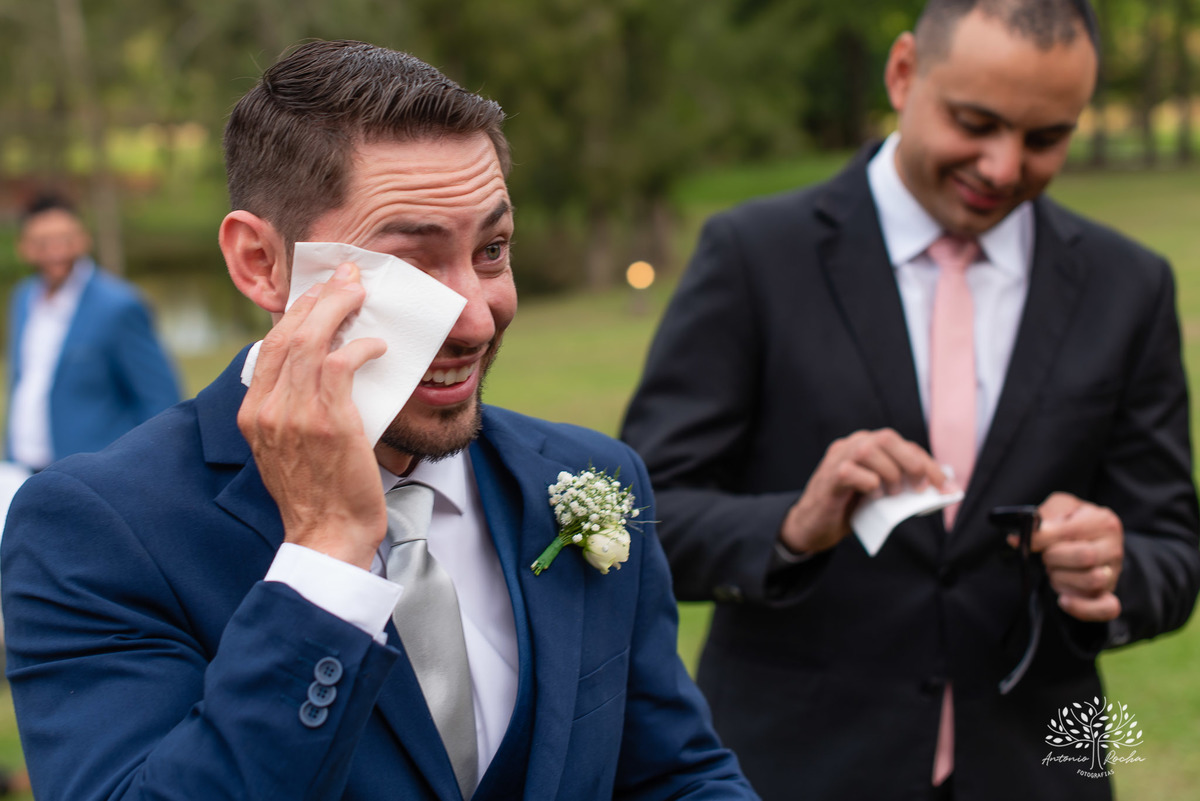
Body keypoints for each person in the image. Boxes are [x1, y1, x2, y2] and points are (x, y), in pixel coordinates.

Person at [1, 41, 756, 801]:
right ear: (262, 262)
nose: (475, 320)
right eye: (415, 267)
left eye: (492, 250)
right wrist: (325, 561)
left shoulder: (589, 473)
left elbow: (675, 775)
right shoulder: (96, 530)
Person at [621, 1, 1200, 800]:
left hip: (1043, 773)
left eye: (1045, 138)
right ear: (903, 74)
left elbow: (1173, 546)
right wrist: (791, 526)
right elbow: (644, 516)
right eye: (975, 121)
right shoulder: (755, 255)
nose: (1003, 167)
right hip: (791, 771)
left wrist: (1114, 564)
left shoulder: (1129, 284)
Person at [5, 194, 180, 471]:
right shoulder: (23, 298)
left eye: (65, 239)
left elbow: (160, 401)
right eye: (42, 243)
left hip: (90, 475)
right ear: (25, 248)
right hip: (22, 469)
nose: (56, 251)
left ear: (84, 239)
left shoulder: (118, 305)